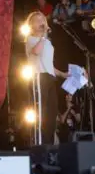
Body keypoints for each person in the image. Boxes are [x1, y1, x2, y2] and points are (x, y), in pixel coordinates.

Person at [25, 11, 70, 145]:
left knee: (51, 113)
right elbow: (36, 52)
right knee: (40, 113)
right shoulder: (31, 39)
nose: (41, 22)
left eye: (43, 20)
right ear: (31, 25)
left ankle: (49, 145)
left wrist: (63, 74)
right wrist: (43, 36)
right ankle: (38, 145)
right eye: (38, 20)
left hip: (49, 77)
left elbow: (49, 65)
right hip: (39, 77)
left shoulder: (47, 42)